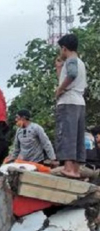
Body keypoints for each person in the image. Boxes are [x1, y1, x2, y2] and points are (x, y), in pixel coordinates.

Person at [55, 34, 88, 179]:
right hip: (80, 102)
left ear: (64, 48)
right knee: (78, 136)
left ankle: (68, 168)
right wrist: (59, 69)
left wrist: (60, 89)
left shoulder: (71, 60)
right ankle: (76, 169)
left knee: (67, 134)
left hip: (68, 101)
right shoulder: (80, 62)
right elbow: (71, 76)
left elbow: (72, 75)